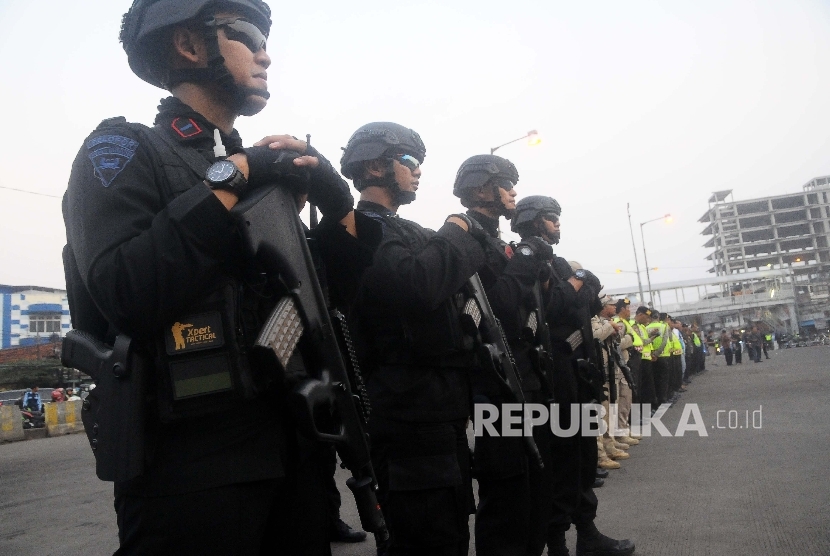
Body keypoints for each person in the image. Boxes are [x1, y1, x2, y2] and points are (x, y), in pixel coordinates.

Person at [63, 1, 357, 553]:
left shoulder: (260, 174)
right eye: (247, 34)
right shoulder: (125, 149)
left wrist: (334, 195)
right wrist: (238, 176)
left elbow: (333, 296)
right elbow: (125, 289)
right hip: (191, 470)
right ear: (190, 46)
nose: (266, 53)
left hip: (294, 453)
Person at [341, 122, 486, 555]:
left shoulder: (398, 229)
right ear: (375, 165)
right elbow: (416, 285)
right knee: (428, 534)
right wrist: (456, 231)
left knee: (449, 525)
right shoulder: (362, 229)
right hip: (406, 412)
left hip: (434, 408)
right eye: (410, 161)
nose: (418, 171)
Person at [511, 196, 635, 556]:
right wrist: (577, 283)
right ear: (534, 222)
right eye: (551, 218)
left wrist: (577, 285)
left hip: (580, 374)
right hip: (555, 379)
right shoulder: (527, 260)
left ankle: (587, 533)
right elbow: (553, 305)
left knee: (582, 461)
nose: (557, 224)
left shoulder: (559, 262)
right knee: (560, 465)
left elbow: (590, 298)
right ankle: (558, 543)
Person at [453, 159, 554, 555]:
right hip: (495, 387)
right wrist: (527, 260)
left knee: (535, 487)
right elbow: (498, 311)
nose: (514, 191)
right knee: (506, 493)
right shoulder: (469, 241)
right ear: (481, 190)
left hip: (527, 380)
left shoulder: (498, 243)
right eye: (506, 184)